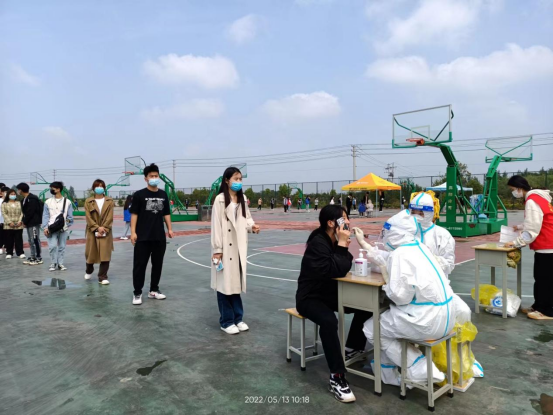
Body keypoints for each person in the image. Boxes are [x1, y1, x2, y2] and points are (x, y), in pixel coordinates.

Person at [355, 211, 469, 387]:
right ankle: (388, 373)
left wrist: (387, 282)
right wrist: (364, 244)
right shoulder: (419, 248)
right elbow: (386, 258)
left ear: (396, 234)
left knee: (372, 328)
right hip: (445, 317)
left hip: (426, 320)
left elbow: (400, 297)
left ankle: (420, 368)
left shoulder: (401, 254)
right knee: (387, 325)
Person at [296, 205, 372, 403]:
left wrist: (342, 244)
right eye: (343, 219)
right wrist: (343, 244)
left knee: (366, 305)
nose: (348, 222)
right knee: (329, 321)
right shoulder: (318, 243)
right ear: (331, 223)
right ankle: (337, 377)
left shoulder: (334, 241)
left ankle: (353, 346)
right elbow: (335, 269)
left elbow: (345, 263)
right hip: (309, 298)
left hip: (328, 294)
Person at [211, 167, 260, 334]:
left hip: (238, 248)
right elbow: (216, 226)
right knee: (224, 286)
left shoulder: (242, 199)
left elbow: (247, 218)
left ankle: (238, 318)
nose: (239, 182)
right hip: (225, 248)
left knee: (235, 285)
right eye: (235, 179)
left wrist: (252, 226)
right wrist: (217, 249)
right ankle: (226, 321)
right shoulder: (219, 200)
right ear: (227, 180)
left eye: (240, 179)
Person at [504, 175, 553, 320]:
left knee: (545, 280)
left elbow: (532, 231)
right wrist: (520, 227)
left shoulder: (532, 201)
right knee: (540, 278)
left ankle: (547, 311)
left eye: (513, 189)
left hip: (547, 245)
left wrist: (515, 242)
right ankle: (538, 306)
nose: (513, 193)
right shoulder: (539, 197)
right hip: (546, 244)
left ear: (519, 188)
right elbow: (536, 221)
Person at [130, 163, 174, 305]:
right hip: (142, 237)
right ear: (146, 178)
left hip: (159, 237)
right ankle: (137, 292)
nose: (154, 178)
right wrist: (133, 232)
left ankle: (154, 290)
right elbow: (134, 214)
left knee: (157, 265)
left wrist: (170, 229)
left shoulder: (163, 194)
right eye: (151, 176)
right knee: (140, 266)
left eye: (156, 176)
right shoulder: (139, 195)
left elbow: (166, 213)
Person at [409, 191, 456, 276]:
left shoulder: (442, 235)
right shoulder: (406, 231)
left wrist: (430, 259)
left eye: (420, 213)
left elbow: (449, 264)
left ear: (429, 213)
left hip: (434, 281)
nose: (416, 216)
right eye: (413, 212)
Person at [84, 179, 114, 285]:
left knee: (105, 254)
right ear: (93, 188)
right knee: (90, 253)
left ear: (104, 188)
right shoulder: (88, 201)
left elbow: (110, 216)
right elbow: (88, 217)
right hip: (92, 230)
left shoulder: (109, 201)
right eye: (97, 186)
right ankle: (89, 269)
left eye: (101, 186)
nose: (99, 188)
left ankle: (102, 277)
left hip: (106, 230)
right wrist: (97, 227)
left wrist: (104, 227)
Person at [43, 181, 74, 271]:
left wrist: (66, 225)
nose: (51, 190)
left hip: (63, 229)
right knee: (52, 246)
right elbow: (45, 215)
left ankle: (60, 263)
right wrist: (45, 227)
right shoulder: (48, 202)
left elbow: (70, 217)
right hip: (51, 228)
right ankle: (53, 263)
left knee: (62, 247)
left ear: (58, 189)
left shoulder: (67, 202)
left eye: (52, 188)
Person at [16, 183, 43, 265]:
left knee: (35, 239)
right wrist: (24, 221)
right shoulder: (24, 199)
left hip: (33, 223)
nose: (18, 191)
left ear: (21, 190)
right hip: (29, 223)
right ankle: (32, 256)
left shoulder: (32, 199)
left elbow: (30, 212)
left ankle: (38, 257)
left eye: (18, 189)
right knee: (31, 240)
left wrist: (24, 221)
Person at [1, 189, 25, 259]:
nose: (13, 195)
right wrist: (9, 222)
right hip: (8, 225)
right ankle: (9, 253)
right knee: (9, 239)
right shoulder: (4, 204)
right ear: (8, 195)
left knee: (19, 239)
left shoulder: (19, 203)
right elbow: (4, 213)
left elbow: (22, 213)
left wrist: (20, 221)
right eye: (11, 194)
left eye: (14, 194)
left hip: (18, 224)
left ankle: (20, 253)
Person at [0, 185, 6, 255]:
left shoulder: (9, 201)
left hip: (7, 221)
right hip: (1, 221)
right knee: (1, 235)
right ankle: (0, 247)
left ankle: (8, 247)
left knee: (8, 235)